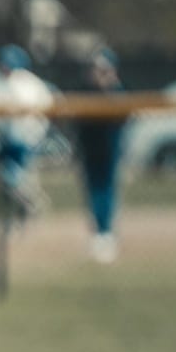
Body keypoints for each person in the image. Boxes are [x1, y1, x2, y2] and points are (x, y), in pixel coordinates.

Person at [72, 47, 128, 263]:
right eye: (96, 69)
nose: (99, 74)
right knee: (92, 190)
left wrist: (109, 85)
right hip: (90, 148)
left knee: (107, 189)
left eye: (104, 69)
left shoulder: (117, 92)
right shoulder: (85, 91)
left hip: (110, 148)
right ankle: (98, 232)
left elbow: (124, 117)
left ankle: (107, 232)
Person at [0, 44, 55, 232]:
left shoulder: (27, 83)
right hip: (9, 139)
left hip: (23, 140)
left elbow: (45, 110)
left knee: (16, 179)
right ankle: (16, 216)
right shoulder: (2, 81)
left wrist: (34, 134)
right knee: (10, 181)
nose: (3, 67)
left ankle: (32, 204)